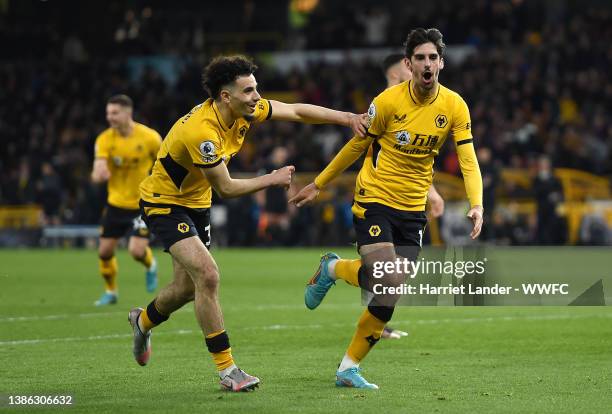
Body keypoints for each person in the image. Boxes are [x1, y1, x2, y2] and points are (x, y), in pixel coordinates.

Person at [128, 55, 368, 392]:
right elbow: (225, 187)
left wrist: (347, 118)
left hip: (197, 203)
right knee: (208, 276)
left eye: (256, 88)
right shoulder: (202, 131)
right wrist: (271, 178)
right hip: (165, 203)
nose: (257, 96)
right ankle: (228, 370)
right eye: (249, 90)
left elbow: (297, 111)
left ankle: (142, 321)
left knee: (185, 289)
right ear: (226, 96)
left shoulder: (245, 110)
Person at [290, 28, 484, 389]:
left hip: (413, 211)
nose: (427, 64)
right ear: (408, 64)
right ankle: (334, 282)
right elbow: (354, 146)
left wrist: (477, 205)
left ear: (441, 63)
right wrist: (319, 183)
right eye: (420, 58)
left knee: (390, 289)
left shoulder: (454, 106)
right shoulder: (388, 102)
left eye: (433, 58)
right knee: (386, 277)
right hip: (375, 199)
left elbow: (468, 160)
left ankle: (346, 354)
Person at [378, 53, 446, 340]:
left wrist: (430, 192)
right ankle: (333, 269)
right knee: (391, 271)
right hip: (385, 199)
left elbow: (415, 159)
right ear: (397, 75)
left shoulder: (410, 105)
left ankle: (377, 322)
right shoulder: (387, 107)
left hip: (408, 199)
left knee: (397, 272)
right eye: (411, 68)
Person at [91, 95, 162, 306]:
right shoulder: (104, 139)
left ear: (127, 113)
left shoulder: (149, 137)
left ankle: (151, 266)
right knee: (104, 252)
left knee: (136, 251)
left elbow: (165, 164)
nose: (109, 117)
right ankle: (111, 292)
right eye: (107, 113)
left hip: (142, 204)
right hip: (115, 204)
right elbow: (96, 171)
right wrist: (99, 174)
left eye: (114, 113)